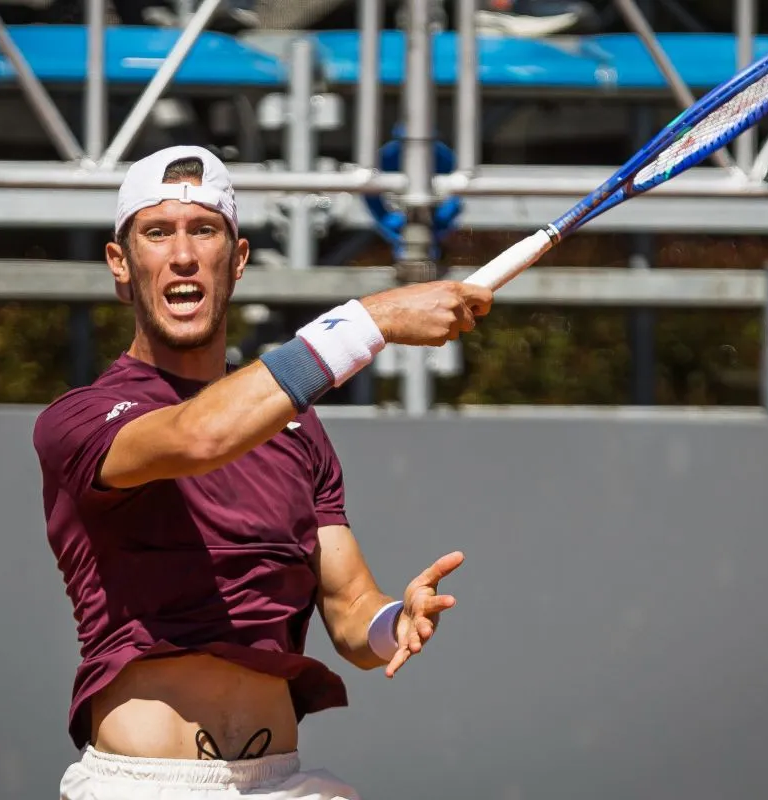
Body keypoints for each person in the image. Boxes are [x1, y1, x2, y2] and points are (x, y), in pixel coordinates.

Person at [32, 145, 494, 800]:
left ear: (238, 259)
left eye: (204, 231)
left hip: (284, 783)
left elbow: (350, 609)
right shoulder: (80, 420)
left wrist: (398, 620)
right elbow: (200, 436)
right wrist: (374, 319)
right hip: (143, 786)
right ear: (121, 265)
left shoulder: (299, 432)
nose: (183, 254)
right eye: (157, 233)